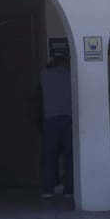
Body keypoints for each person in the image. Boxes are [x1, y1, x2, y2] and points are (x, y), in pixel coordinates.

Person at [38, 53, 74, 198]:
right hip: (69, 118)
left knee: (49, 156)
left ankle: (48, 189)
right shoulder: (71, 74)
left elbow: (45, 67)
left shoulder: (45, 75)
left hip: (50, 119)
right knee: (70, 156)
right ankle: (70, 189)